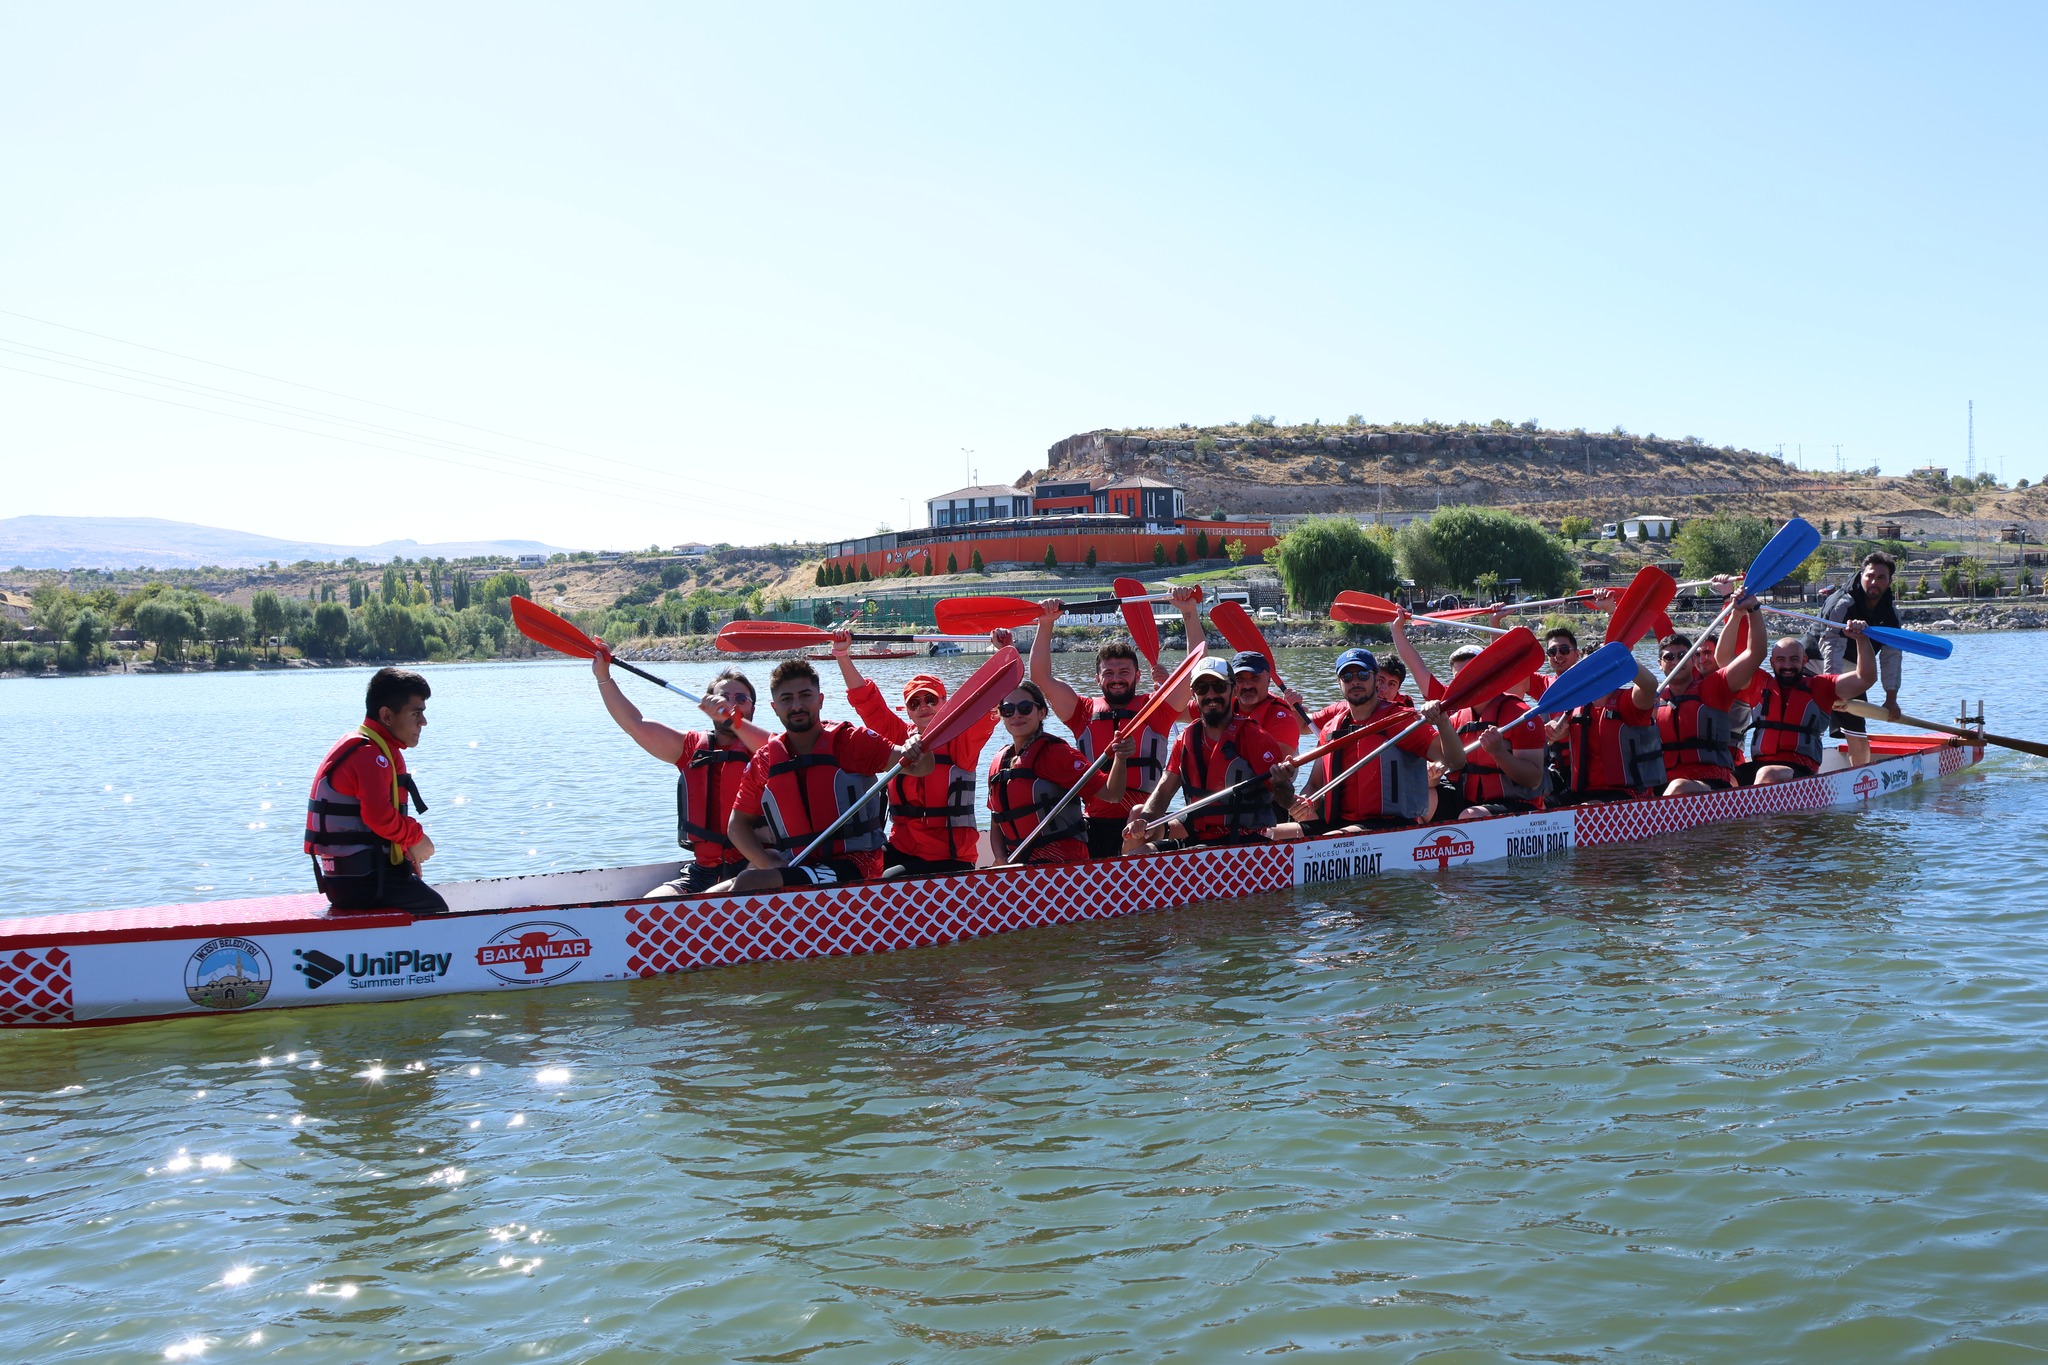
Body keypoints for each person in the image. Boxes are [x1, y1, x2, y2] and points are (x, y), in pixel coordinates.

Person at [716, 659, 925, 891]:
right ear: (775, 707)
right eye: (787, 699)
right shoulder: (765, 759)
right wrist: (769, 862)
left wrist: (916, 747)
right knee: (720, 890)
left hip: (858, 865)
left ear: (820, 700)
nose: (797, 706)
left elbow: (922, 766)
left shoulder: (851, 742)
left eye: (805, 695)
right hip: (799, 864)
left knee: (748, 882)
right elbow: (737, 825)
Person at [1029, 586, 1204, 857]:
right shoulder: (1082, 711)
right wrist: (1046, 623)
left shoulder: (1156, 709)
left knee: (1137, 817)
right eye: (1108, 673)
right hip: (1094, 822)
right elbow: (1041, 678)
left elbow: (1192, 669)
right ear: (1098, 679)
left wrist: (1189, 613)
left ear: (1137, 676)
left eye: (1124, 671)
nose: (1116, 678)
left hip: (1144, 821)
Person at [590, 644, 770, 895]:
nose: (732, 704)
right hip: (703, 871)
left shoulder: (770, 748)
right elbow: (634, 724)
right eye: (723, 698)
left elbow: (777, 752)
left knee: (716, 898)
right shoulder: (691, 748)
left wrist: (733, 720)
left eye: (741, 699)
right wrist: (603, 676)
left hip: (757, 866)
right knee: (651, 905)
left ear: (753, 708)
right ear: (709, 708)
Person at [831, 631, 1008, 876]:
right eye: (915, 703)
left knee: (886, 879)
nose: (923, 706)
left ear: (945, 703)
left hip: (950, 857)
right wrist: (842, 654)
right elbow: (867, 703)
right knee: (850, 866)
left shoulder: (962, 739)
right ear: (908, 712)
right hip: (902, 847)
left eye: (931, 700)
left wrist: (1003, 653)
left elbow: (992, 699)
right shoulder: (898, 737)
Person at [304, 667, 447, 914]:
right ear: (387, 716)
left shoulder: (373, 748)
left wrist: (405, 854)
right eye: (416, 713)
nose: (423, 722)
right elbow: (379, 819)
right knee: (436, 909)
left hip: (355, 878)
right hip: (360, 882)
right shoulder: (369, 755)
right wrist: (416, 838)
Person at [1277, 648, 1461, 836]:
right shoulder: (1330, 728)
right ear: (1339, 683)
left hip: (1390, 826)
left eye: (1363, 674)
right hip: (1339, 825)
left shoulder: (1400, 721)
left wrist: (1443, 722)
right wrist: (1304, 803)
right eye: (1347, 676)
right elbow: (1315, 785)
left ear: (1374, 679)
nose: (1355, 681)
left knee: (1332, 838)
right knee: (1271, 834)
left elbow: (1455, 761)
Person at [1124, 658, 1293, 850]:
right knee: (1139, 844)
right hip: (1196, 836)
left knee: (1197, 850)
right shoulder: (1186, 738)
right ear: (1193, 695)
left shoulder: (1256, 738)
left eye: (1219, 686)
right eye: (1202, 688)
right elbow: (1164, 791)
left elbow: (1286, 801)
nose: (1211, 695)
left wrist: (1280, 783)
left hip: (1244, 842)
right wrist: (1144, 820)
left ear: (1234, 690)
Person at [986, 681, 1131, 864]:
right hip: (1017, 866)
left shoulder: (1057, 754)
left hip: (1062, 866)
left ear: (1041, 713)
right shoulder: (999, 761)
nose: (1016, 715)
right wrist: (1000, 857)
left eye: (1025, 708)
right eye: (1008, 709)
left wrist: (1121, 758)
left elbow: (1113, 794)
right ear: (1001, 715)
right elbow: (997, 820)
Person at [1409, 641, 1548, 817]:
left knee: (1470, 815)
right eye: (1458, 678)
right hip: (1471, 803)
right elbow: (1449, 766)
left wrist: (1499, 752)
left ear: (1488, 675)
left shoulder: (1520, 715)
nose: (1465, 684)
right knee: (1420, 798)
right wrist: (1433, 776)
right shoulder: (1455, 720)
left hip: (1521, 805)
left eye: (1470, 675)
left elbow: (1533, 779)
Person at [1656, 592, 1767, 796]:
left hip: (1711, 784)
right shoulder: (1652, 699)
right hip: (1664, 784)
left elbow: (1755, 653)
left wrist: (1752, 610)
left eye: (1682, 656)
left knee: (1679, 787)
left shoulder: (1714, 688)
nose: (1675, 661)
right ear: (1660, 663)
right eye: (1669, 657)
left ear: (1692, 661)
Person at [1740, 622, 1879, 785]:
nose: (1787, 666)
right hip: (1760, 765)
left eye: (1793, 659)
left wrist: (1861, 639)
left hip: (1801, 770)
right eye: (1781, 659)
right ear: (1772, 663)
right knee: (1730, 777)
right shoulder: (1758, 683)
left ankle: (1754, 809)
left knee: (1768, 773)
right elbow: (1726, 660)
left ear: (1804, 660)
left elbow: (1866, 678)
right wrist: (1740, 613)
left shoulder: (1821, 687)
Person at [1543, 628, 1666, 804]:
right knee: (1542, 805)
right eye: (1585, 670)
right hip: (1582, 795)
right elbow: (1560, 728)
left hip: (1629, 795)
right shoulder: (1574, 707)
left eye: (1597, 669)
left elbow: (1649, 685)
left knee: (1586, 808)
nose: (1591, 676)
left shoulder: (1628, 702)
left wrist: (1623, 657)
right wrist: (1554, 731)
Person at [1821, 550, 1906, 766]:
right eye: (1869, 576)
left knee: (1856, 730)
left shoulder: (1890, 614)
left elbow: (1892, 657)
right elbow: (1831, 643)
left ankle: (1860, 777)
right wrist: (1831, 688)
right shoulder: (1843, 603)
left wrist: (1891, 698)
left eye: (1881, 577)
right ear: (1861, 575)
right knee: (1809, 719)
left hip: (1852, 669)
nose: (1874, 581)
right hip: (1817, 662)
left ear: (1889, 581)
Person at [1226, 650, 1309, 752]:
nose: (1247, 685)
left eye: (1255, 678)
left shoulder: (1283, 717)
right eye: (1240, 679)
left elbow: (1275, 761)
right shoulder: (1222, 706)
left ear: (1268, 679)